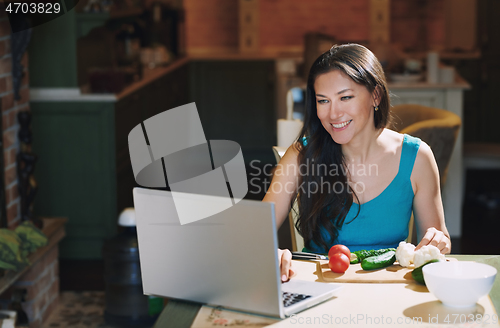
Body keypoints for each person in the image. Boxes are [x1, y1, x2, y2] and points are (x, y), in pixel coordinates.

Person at [263, 44, 451, 282]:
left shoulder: (418, 158)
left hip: (389, 289)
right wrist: (271, 252)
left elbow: (435, 246)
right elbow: (256, 230)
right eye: (323, 101)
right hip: (315, 289)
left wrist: (439, 242)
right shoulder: (302, 155)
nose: (333, 114)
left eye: (345, 97)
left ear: (376, 95)